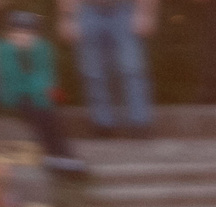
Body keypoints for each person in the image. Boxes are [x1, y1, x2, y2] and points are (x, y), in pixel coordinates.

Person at [0, 12, 78, 168]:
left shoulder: (43, 48)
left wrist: (39, 91)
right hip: (13, 96)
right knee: (37, 108)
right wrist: (21, 53)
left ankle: (64, 156)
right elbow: (12, 79)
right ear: (10, 33)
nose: (23, 36)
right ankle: (55, 154)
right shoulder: (4, 49)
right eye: (17, 31)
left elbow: (47, 77)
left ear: (36, 34)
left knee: (48, 112)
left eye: (28, 32)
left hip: (38, 96)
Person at [65, 0, 154, 137]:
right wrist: (68, 17)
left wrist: (145, 13)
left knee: (132, 70)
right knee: (92, 73)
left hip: (125, 11)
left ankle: (140, 124)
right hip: (87, 11)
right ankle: (102, 124)